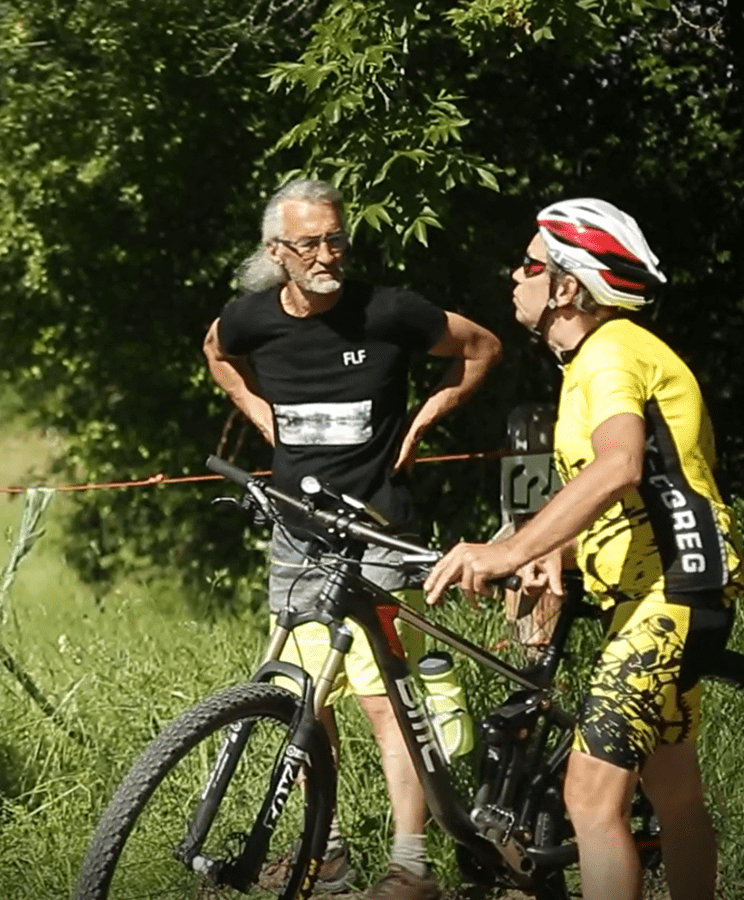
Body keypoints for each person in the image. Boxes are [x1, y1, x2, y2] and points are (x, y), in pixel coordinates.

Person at [424, 198, 740, 900]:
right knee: (675, 791)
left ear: (566, 287)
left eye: (531, 263)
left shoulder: (608, 355)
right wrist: (557, 552)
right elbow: (651, 487)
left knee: (589, 801)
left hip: (669, 599)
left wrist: (507, 551)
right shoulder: (604, 359)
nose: (516, 273)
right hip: (675, 594)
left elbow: (619, 465)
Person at [204, 179, 501, 899]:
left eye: (335, 238)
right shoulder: (251, 320)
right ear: (278, 252)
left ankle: (410, 866)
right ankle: (324, 854)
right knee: (309, 698)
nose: (327, 254)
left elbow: (482, 347)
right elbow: (216, 350)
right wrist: (258, 412)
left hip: (380, 532)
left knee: (385, 702)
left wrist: (425, 420)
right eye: (309, 243)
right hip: (299, 535)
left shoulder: (389, 309)